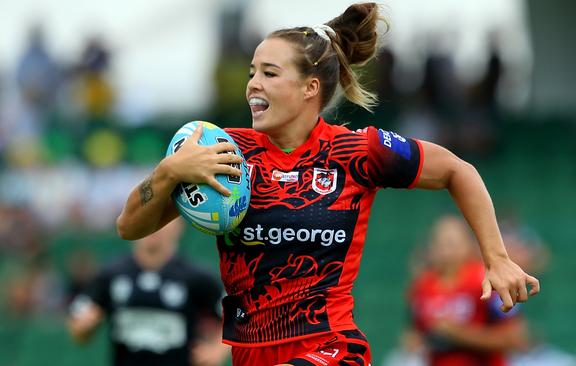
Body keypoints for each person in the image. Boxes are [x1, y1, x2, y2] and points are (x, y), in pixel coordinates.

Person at [116, 3, 540, 365]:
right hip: (250, 349)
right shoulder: (224, 153)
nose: (253, 85)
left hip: (332, 347)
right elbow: (129, 227)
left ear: (309, 87)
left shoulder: (358, 152)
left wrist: (496, 257)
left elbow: (457, 170)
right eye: (252, 72)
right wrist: (169, 171)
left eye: (269, 73)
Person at [67, 219, 230, 366]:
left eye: (162, 218)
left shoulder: (196, 277)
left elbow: (237, 316)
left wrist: (217, 350)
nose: (153, 226)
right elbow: (78, 327)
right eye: (147, 216)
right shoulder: (110, 274)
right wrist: (84, 327)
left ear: (178, 226)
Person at [409, 215, 529, 366]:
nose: (445, 251)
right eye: (439, 243)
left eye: (451, 243)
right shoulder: (422, 285)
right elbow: (415, 332)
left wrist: (459, 334)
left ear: (468, 244)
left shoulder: (486, 280)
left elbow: (514, 337)